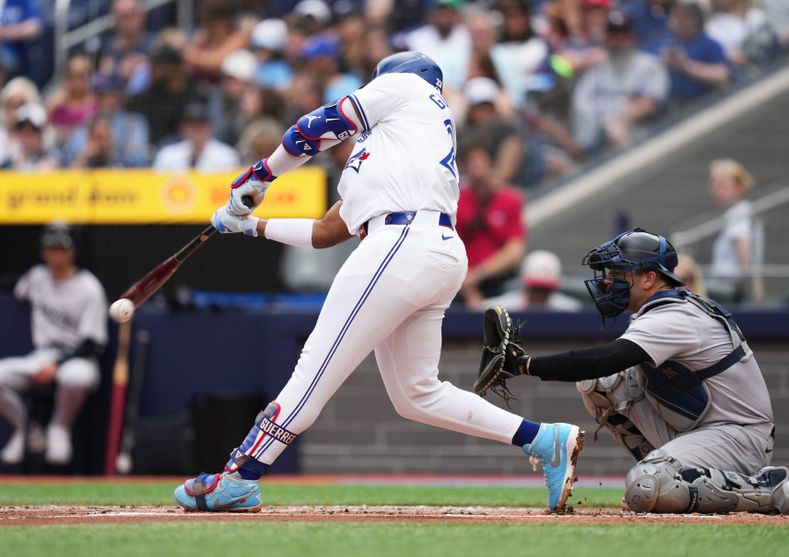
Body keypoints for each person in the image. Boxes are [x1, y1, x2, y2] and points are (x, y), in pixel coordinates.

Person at [173, 51, 585, 513]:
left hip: (402, 242)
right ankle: (544, 439)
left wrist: (262, 173)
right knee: (417, 394)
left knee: (314, 368)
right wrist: (250, 225)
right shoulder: (392, 151)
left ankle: (240, 475)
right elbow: (327, 232)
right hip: (427, 248)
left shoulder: (410, 87)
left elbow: (315, 126)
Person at [475, 228, 789, 515]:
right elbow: (604, 371)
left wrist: (525, 365)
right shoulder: (658, 310)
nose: (607, 280)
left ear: (649, 278)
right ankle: (663, 472)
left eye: (618, 272)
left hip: (737, 436)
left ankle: (772, 488)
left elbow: (607, 357)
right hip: (699, 428)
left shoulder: (675, 316)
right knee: (600, 385)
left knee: (645, 486)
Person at [0, 223, 107, 466]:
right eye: (52, 248)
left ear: (74, 252)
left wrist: (56, 365)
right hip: (42, 355)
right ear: (44, 251)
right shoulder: (37, 277)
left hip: (78, 358)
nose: (56, 253)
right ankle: (28, 429)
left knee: (75, 377)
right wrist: (48, 363)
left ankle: (59, 427)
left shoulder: (89, 287)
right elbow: (12, 285)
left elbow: (93, 344)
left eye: (62, 248)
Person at [571, 10, 669, 153]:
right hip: (600, 136)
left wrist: (618, 121)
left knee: (616, 131)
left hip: (645, 132)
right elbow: (582, 105)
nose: (617, 39)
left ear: (631, 36)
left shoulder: (649, 65)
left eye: (621, 33)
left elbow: (650, 103)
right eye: (612, 34)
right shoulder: (596, 69)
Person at [455, 143, 526, 308]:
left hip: (498, 281)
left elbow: (515, 249)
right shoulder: (456, 201)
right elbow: (448, 245)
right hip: (461, 282)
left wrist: (479, 274)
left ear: (491, 165)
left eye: (481, 160)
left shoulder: (510, 200)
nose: (476, 166)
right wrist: (466, 286)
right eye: (471, 161)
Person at [707, 158, 764, 303]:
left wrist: (747, 294)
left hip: (729, 292)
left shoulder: (739, 215)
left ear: (739, 187)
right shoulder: (737, 213)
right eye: (715, 184)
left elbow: (744, 252)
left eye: (722, 185)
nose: (716, 190)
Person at [151, 97, 240, 172]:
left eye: (201, 126)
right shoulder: (168, 155)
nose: (196, 131)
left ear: (210, 128)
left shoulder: (226, 156)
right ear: (183, 129)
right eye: (192, 127)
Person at [484, 250, 584, 312]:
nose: (539, 294)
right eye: (535, 289)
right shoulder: (501, 309)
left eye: (545, 290)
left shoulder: (569, 309)